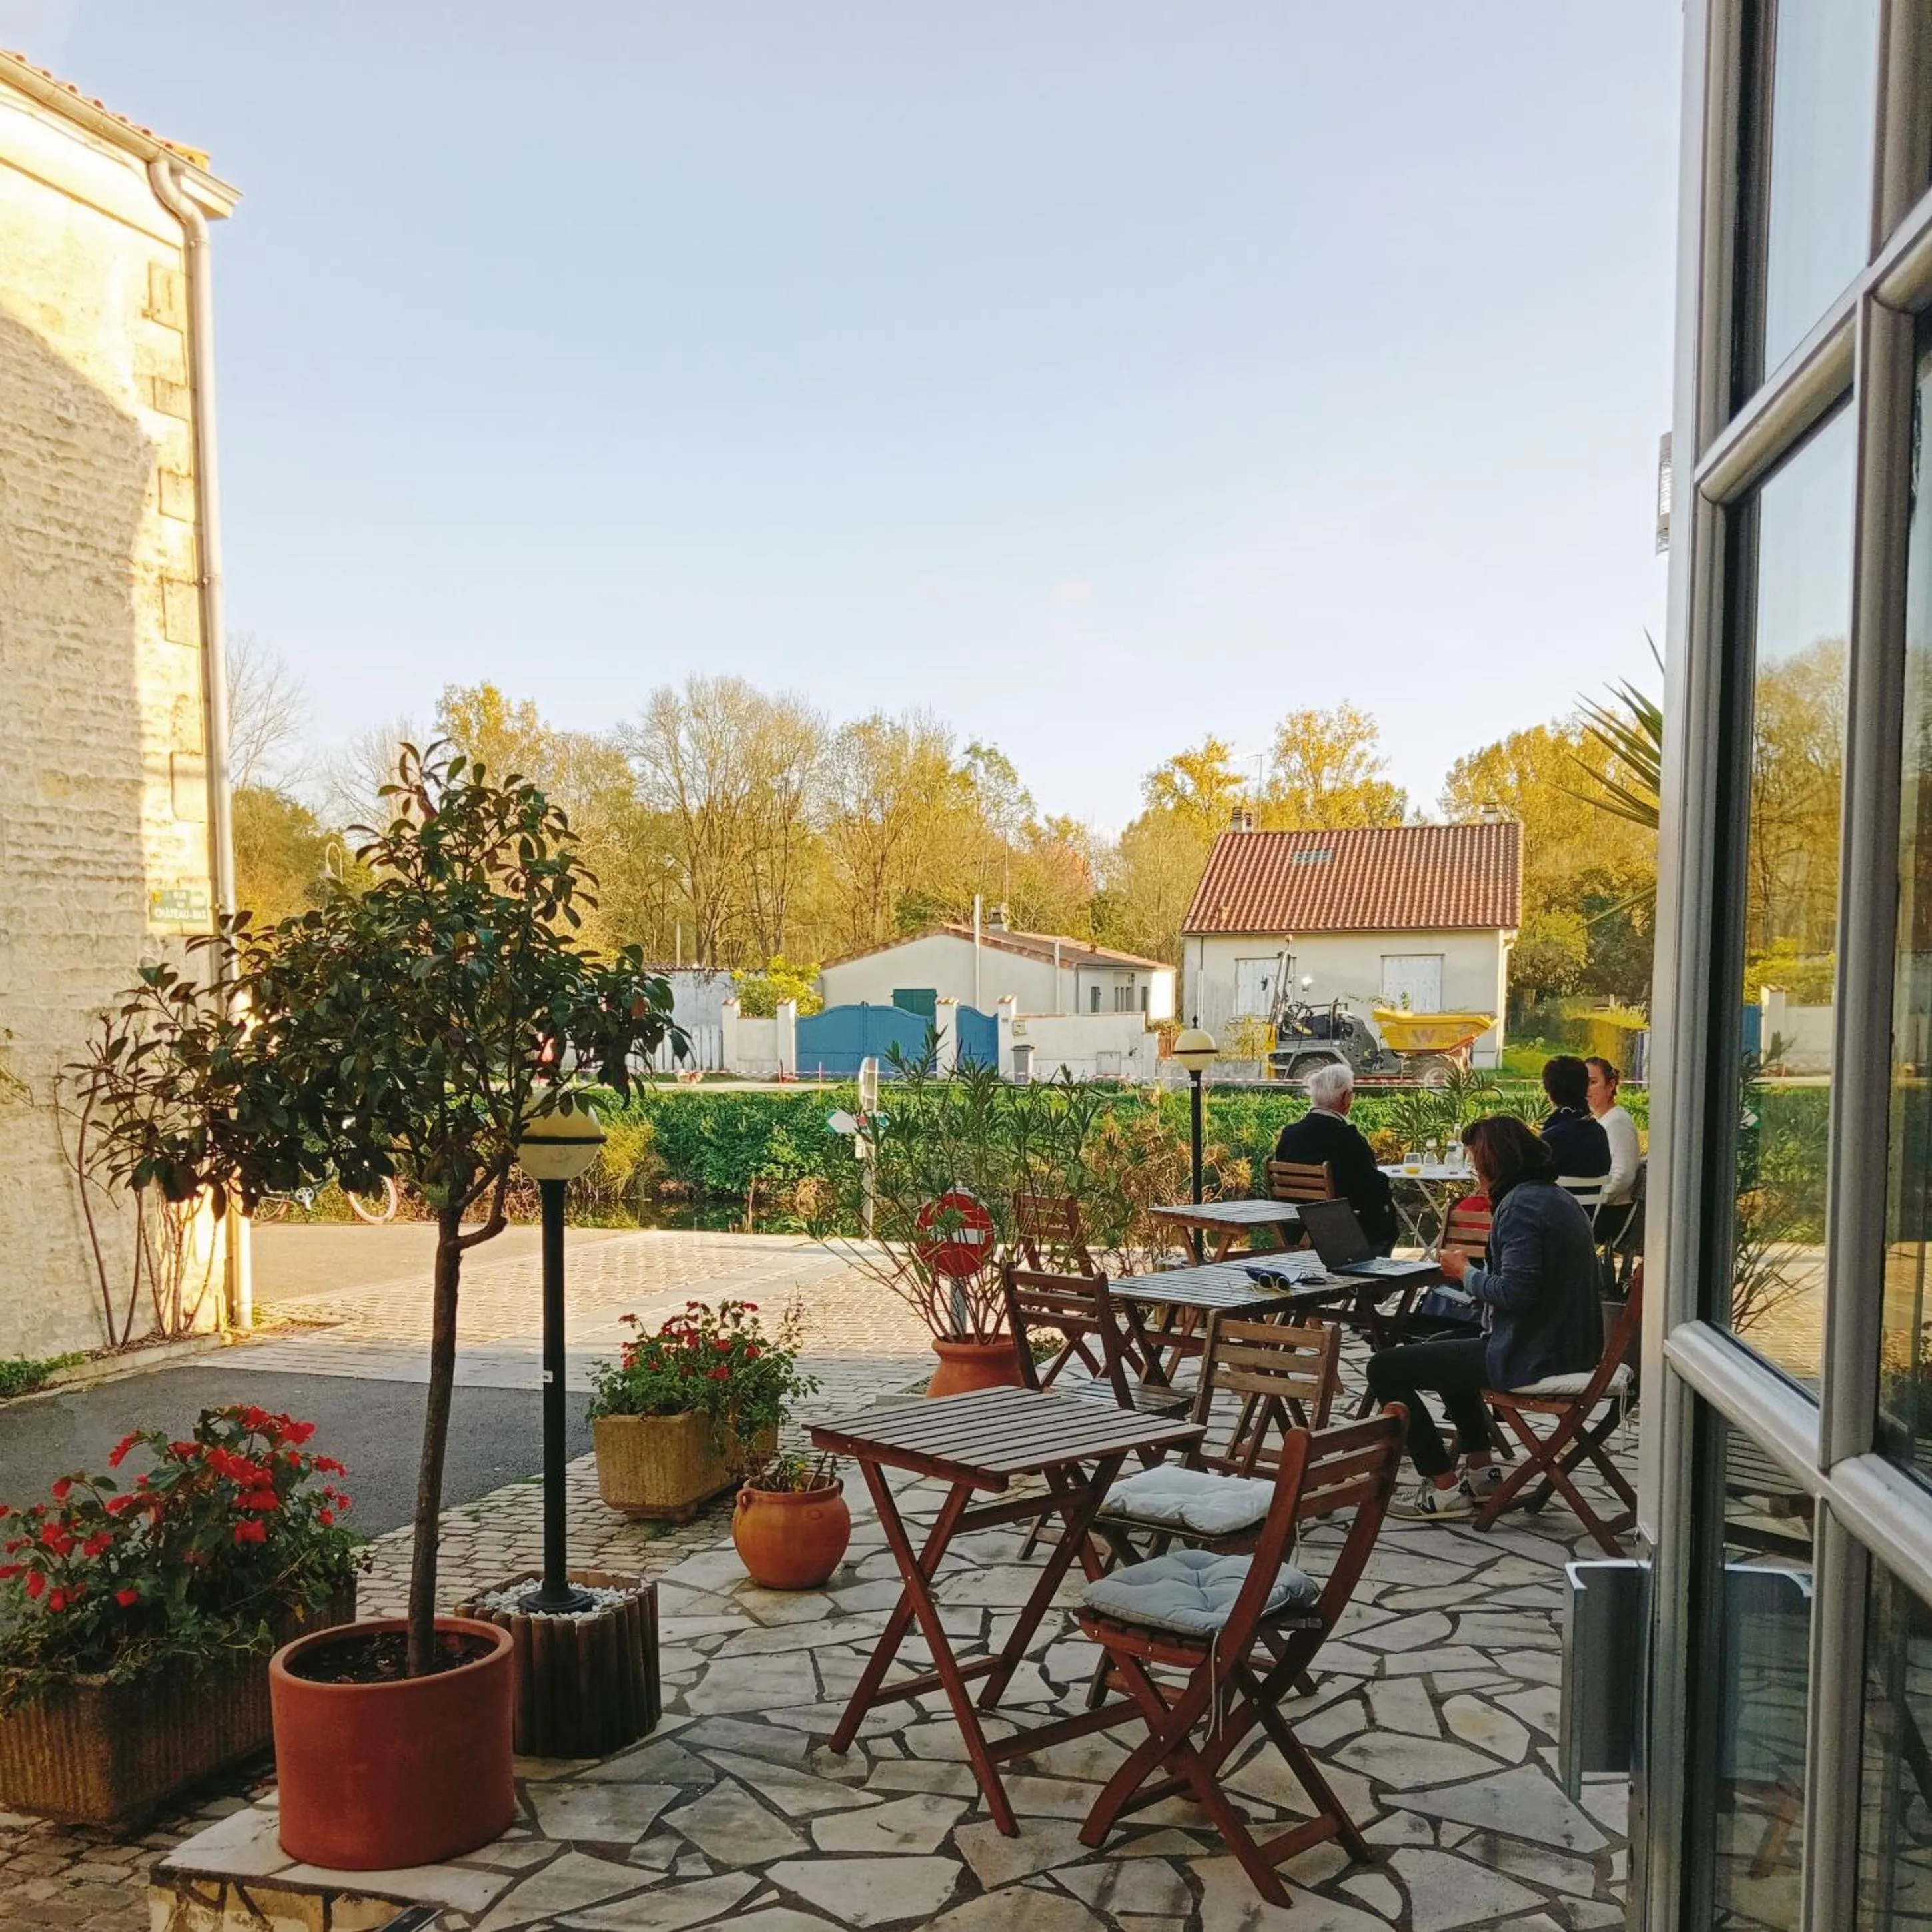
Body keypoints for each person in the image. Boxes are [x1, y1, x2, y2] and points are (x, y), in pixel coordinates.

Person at [1366, 1115, 1602, 1518]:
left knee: (1385, 1368)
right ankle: (1480, 1471)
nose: (1474, 1171)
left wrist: (1466, 1274)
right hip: (1568, 1344)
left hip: (1535, 1353)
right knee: (1443, 1349)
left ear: (1496, 1163)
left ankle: (1441, 1487)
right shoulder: (1554, 1197)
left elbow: (1516, 1292)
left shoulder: (1520, 1207)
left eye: (1477, 1162)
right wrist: (1477, 1290)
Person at [1272, 1063, 1397, 1251]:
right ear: (1346, 1097)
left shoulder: (1290, 1135)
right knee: (1383, 1216)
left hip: (1294, 1231)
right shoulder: (1349, 1139)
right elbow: (1373, 1188)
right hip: (1340, 1236)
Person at [1540, 1055, 1611, 1181]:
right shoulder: (1599, 1132)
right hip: (1594, 1200)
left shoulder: (1550, 1137)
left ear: (1550, 1093)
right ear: (1585, 1088)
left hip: (1555, 1199)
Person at [1586, 1055, 1641, 1207]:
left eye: (1593, 1082)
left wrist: (1592, 1201)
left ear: (1610, 1085)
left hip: (1609, 1212)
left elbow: (1623, 1174)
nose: (1586, 1089)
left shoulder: (1617, 1122)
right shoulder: (1597, 1120)